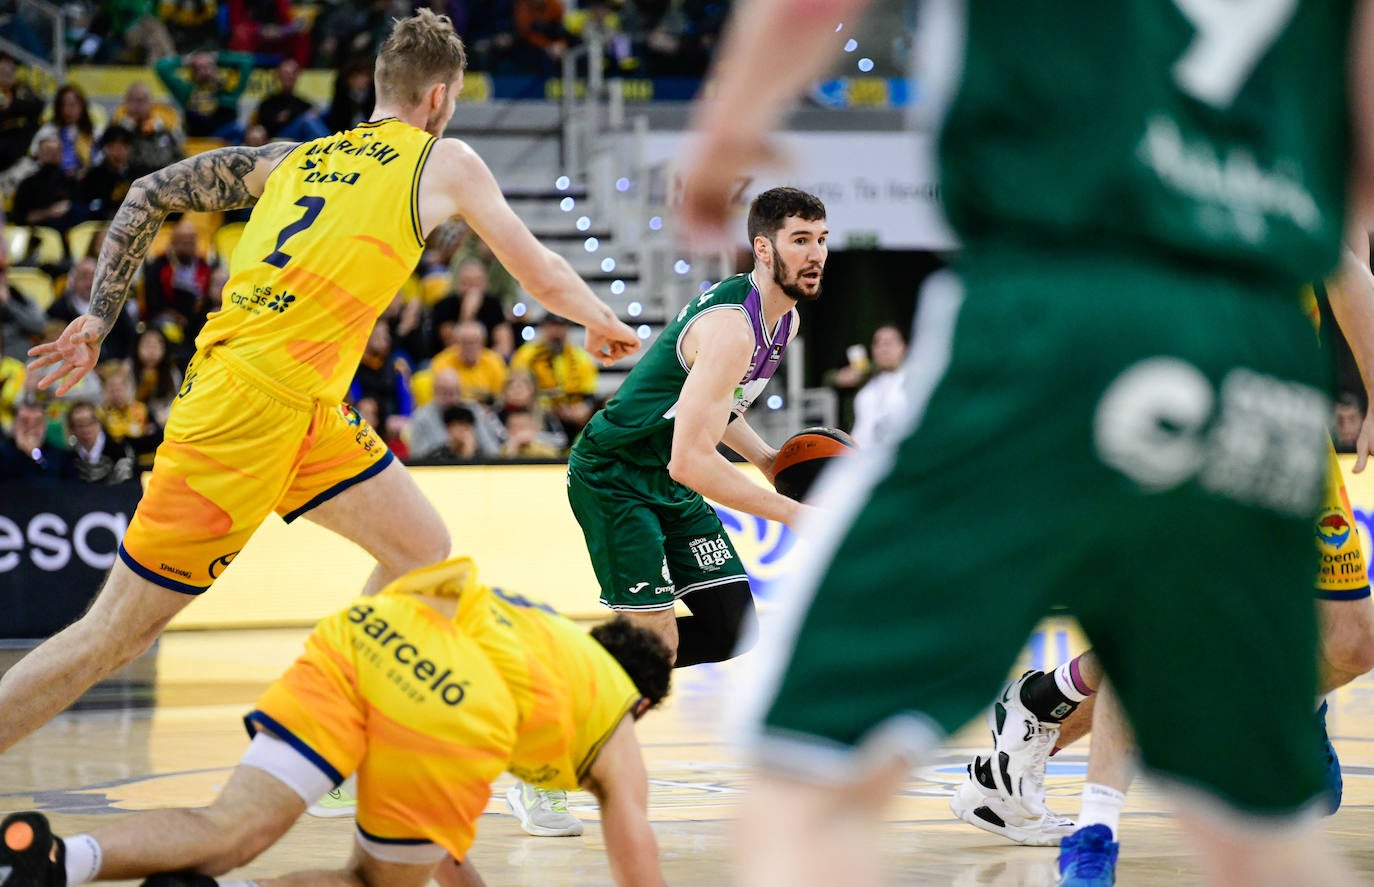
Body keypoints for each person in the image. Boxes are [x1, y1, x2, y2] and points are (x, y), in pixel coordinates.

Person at [678, 2, 1372, 886]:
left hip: (1067, 301)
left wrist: (726, 131)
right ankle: (1074, 775)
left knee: (806, 780)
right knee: (1263, 833)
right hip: (1254, 351)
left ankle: (1043, 728)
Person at [11, 8, 639, 761]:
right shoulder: (442, 160)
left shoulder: (292, 159)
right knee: (113, 634)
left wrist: (98, 319)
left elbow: (147, 190)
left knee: (423, 547)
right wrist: (602, 319)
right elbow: (538, 272)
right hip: (243, 409)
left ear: (380, 84)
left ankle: (324, 720)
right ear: (438, 98)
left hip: (304, 407)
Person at [0, 555, 674, 887]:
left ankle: (62, 859)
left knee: (228, 825)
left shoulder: (544, 633)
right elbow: (636, 852)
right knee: (365, 882)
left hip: (368, 635)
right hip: (451, 704)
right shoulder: (610, 706)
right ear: (641, 702)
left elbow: (435, 835)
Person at [507, 187, 823, 839]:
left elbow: (716, 408)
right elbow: (690, 461)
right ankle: (540, 762)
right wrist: (790, 513)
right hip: (619, 475)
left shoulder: (782, 319)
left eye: (821, 240)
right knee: (655, 646)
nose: (816, 253)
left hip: (668, 472)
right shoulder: (732, 327)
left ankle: (582, 667)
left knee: (733, 628)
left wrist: (765, 458)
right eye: (800, 240)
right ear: (763, 248)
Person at [847, 323, 906, 445]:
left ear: (902, 347)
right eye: (877, 343)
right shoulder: (866, 385)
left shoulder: (916, 383)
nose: (883, 349)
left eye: (888, 343)